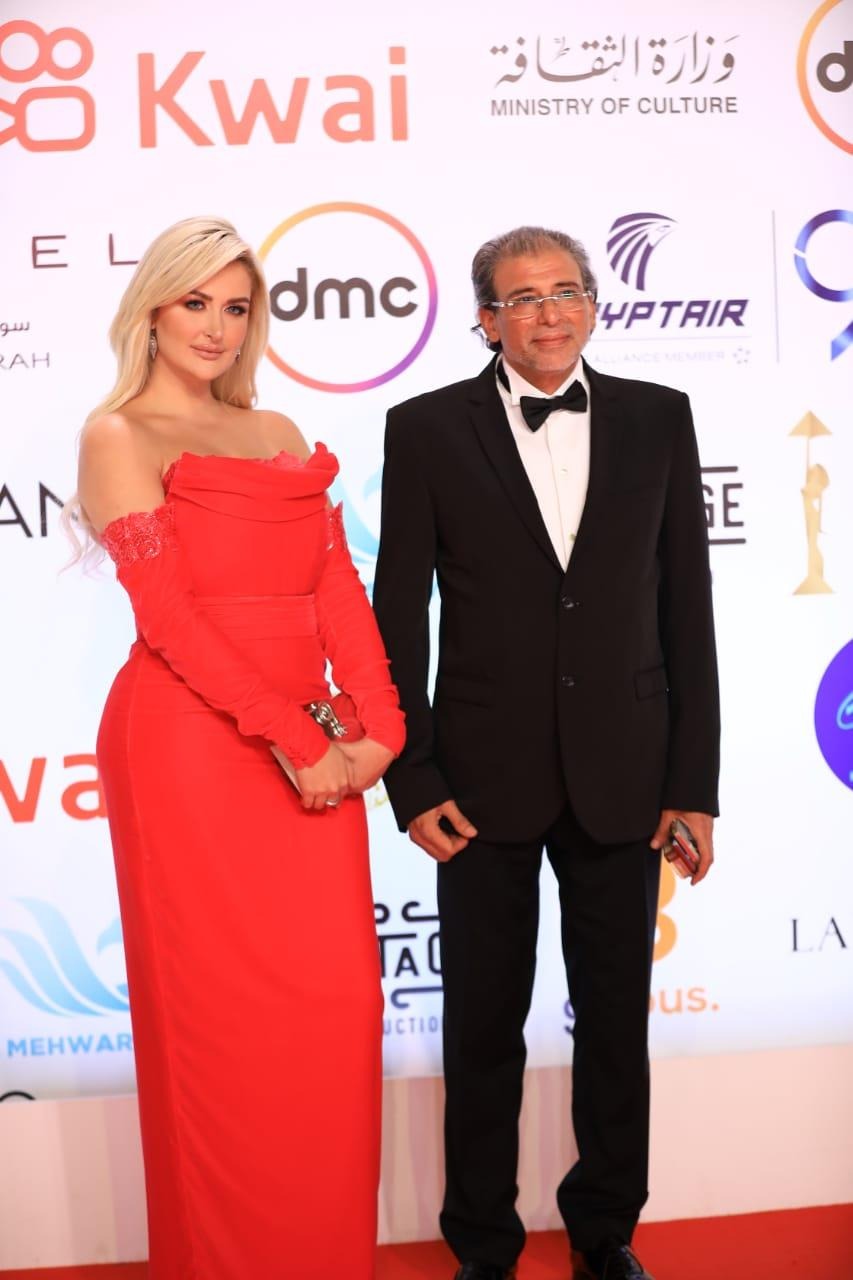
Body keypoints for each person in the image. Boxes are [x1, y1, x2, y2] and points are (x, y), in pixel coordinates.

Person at [373, 226, 720, 1280]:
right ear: (486, 319)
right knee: (482, 1024)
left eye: (565, 291)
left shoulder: (659, 417)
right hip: (478, 780)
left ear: (592, 304)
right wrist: (412, 777)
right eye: (521, 298)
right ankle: (482, 1243)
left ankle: (605, 1231)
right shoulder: (425, 428)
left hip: (629, 771)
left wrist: (692, 784)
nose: (548, 313)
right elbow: (398, 615)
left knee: (615, 1023)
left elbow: (686, 608)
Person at [73, 216, 405, 1279]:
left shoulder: (275, 430)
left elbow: (332, 584)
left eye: (235, 306)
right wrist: (294, 734)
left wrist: (380, 724)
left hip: (309, 738)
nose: (215, 327)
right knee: (219, 1030)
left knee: (335, 1012)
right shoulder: (118, 434)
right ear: (151, 311)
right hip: (190, 742)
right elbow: (169, 619)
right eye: (194, 303)